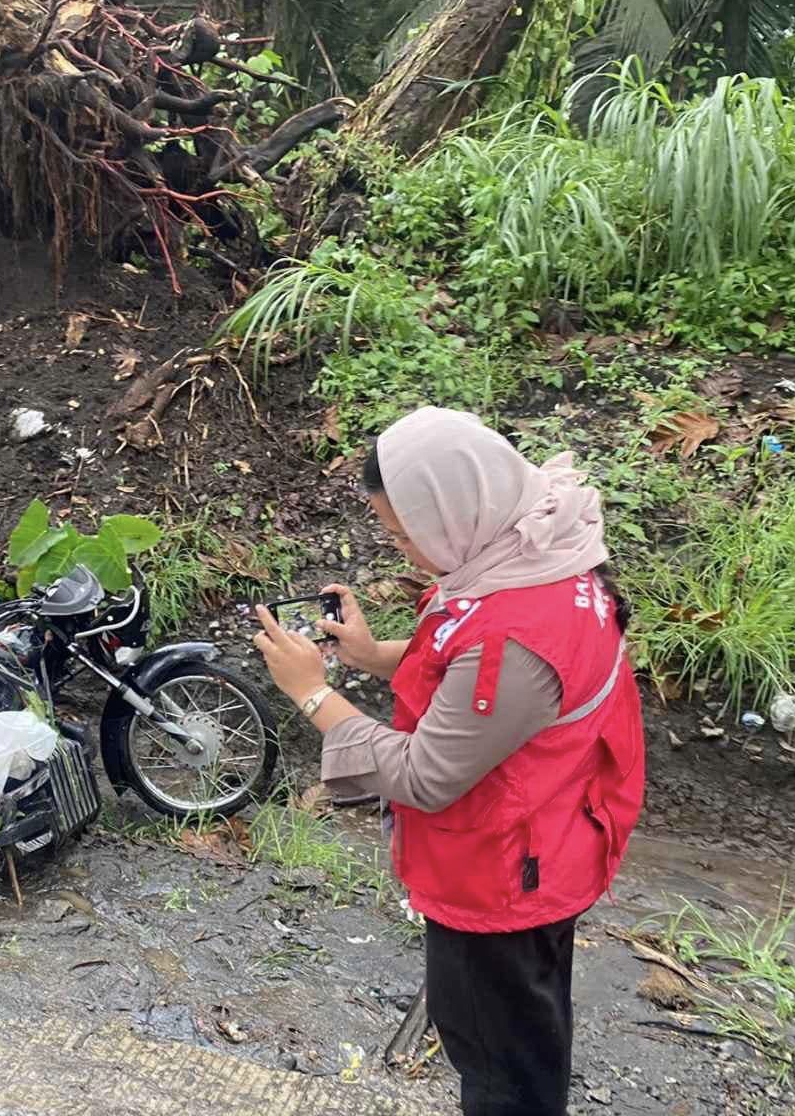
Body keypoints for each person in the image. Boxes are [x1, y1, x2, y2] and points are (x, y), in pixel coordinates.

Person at [251, 406, 644, 1116]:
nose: (403, 549)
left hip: (502, 880)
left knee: (498, 1066)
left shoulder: (520, 635)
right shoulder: (535, 546)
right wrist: (373, 657)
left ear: (461, 506)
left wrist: (313, 695)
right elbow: (471, 657)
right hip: (552, 835)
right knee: (528, 1034)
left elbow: (426, 775)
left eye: (406, 533)